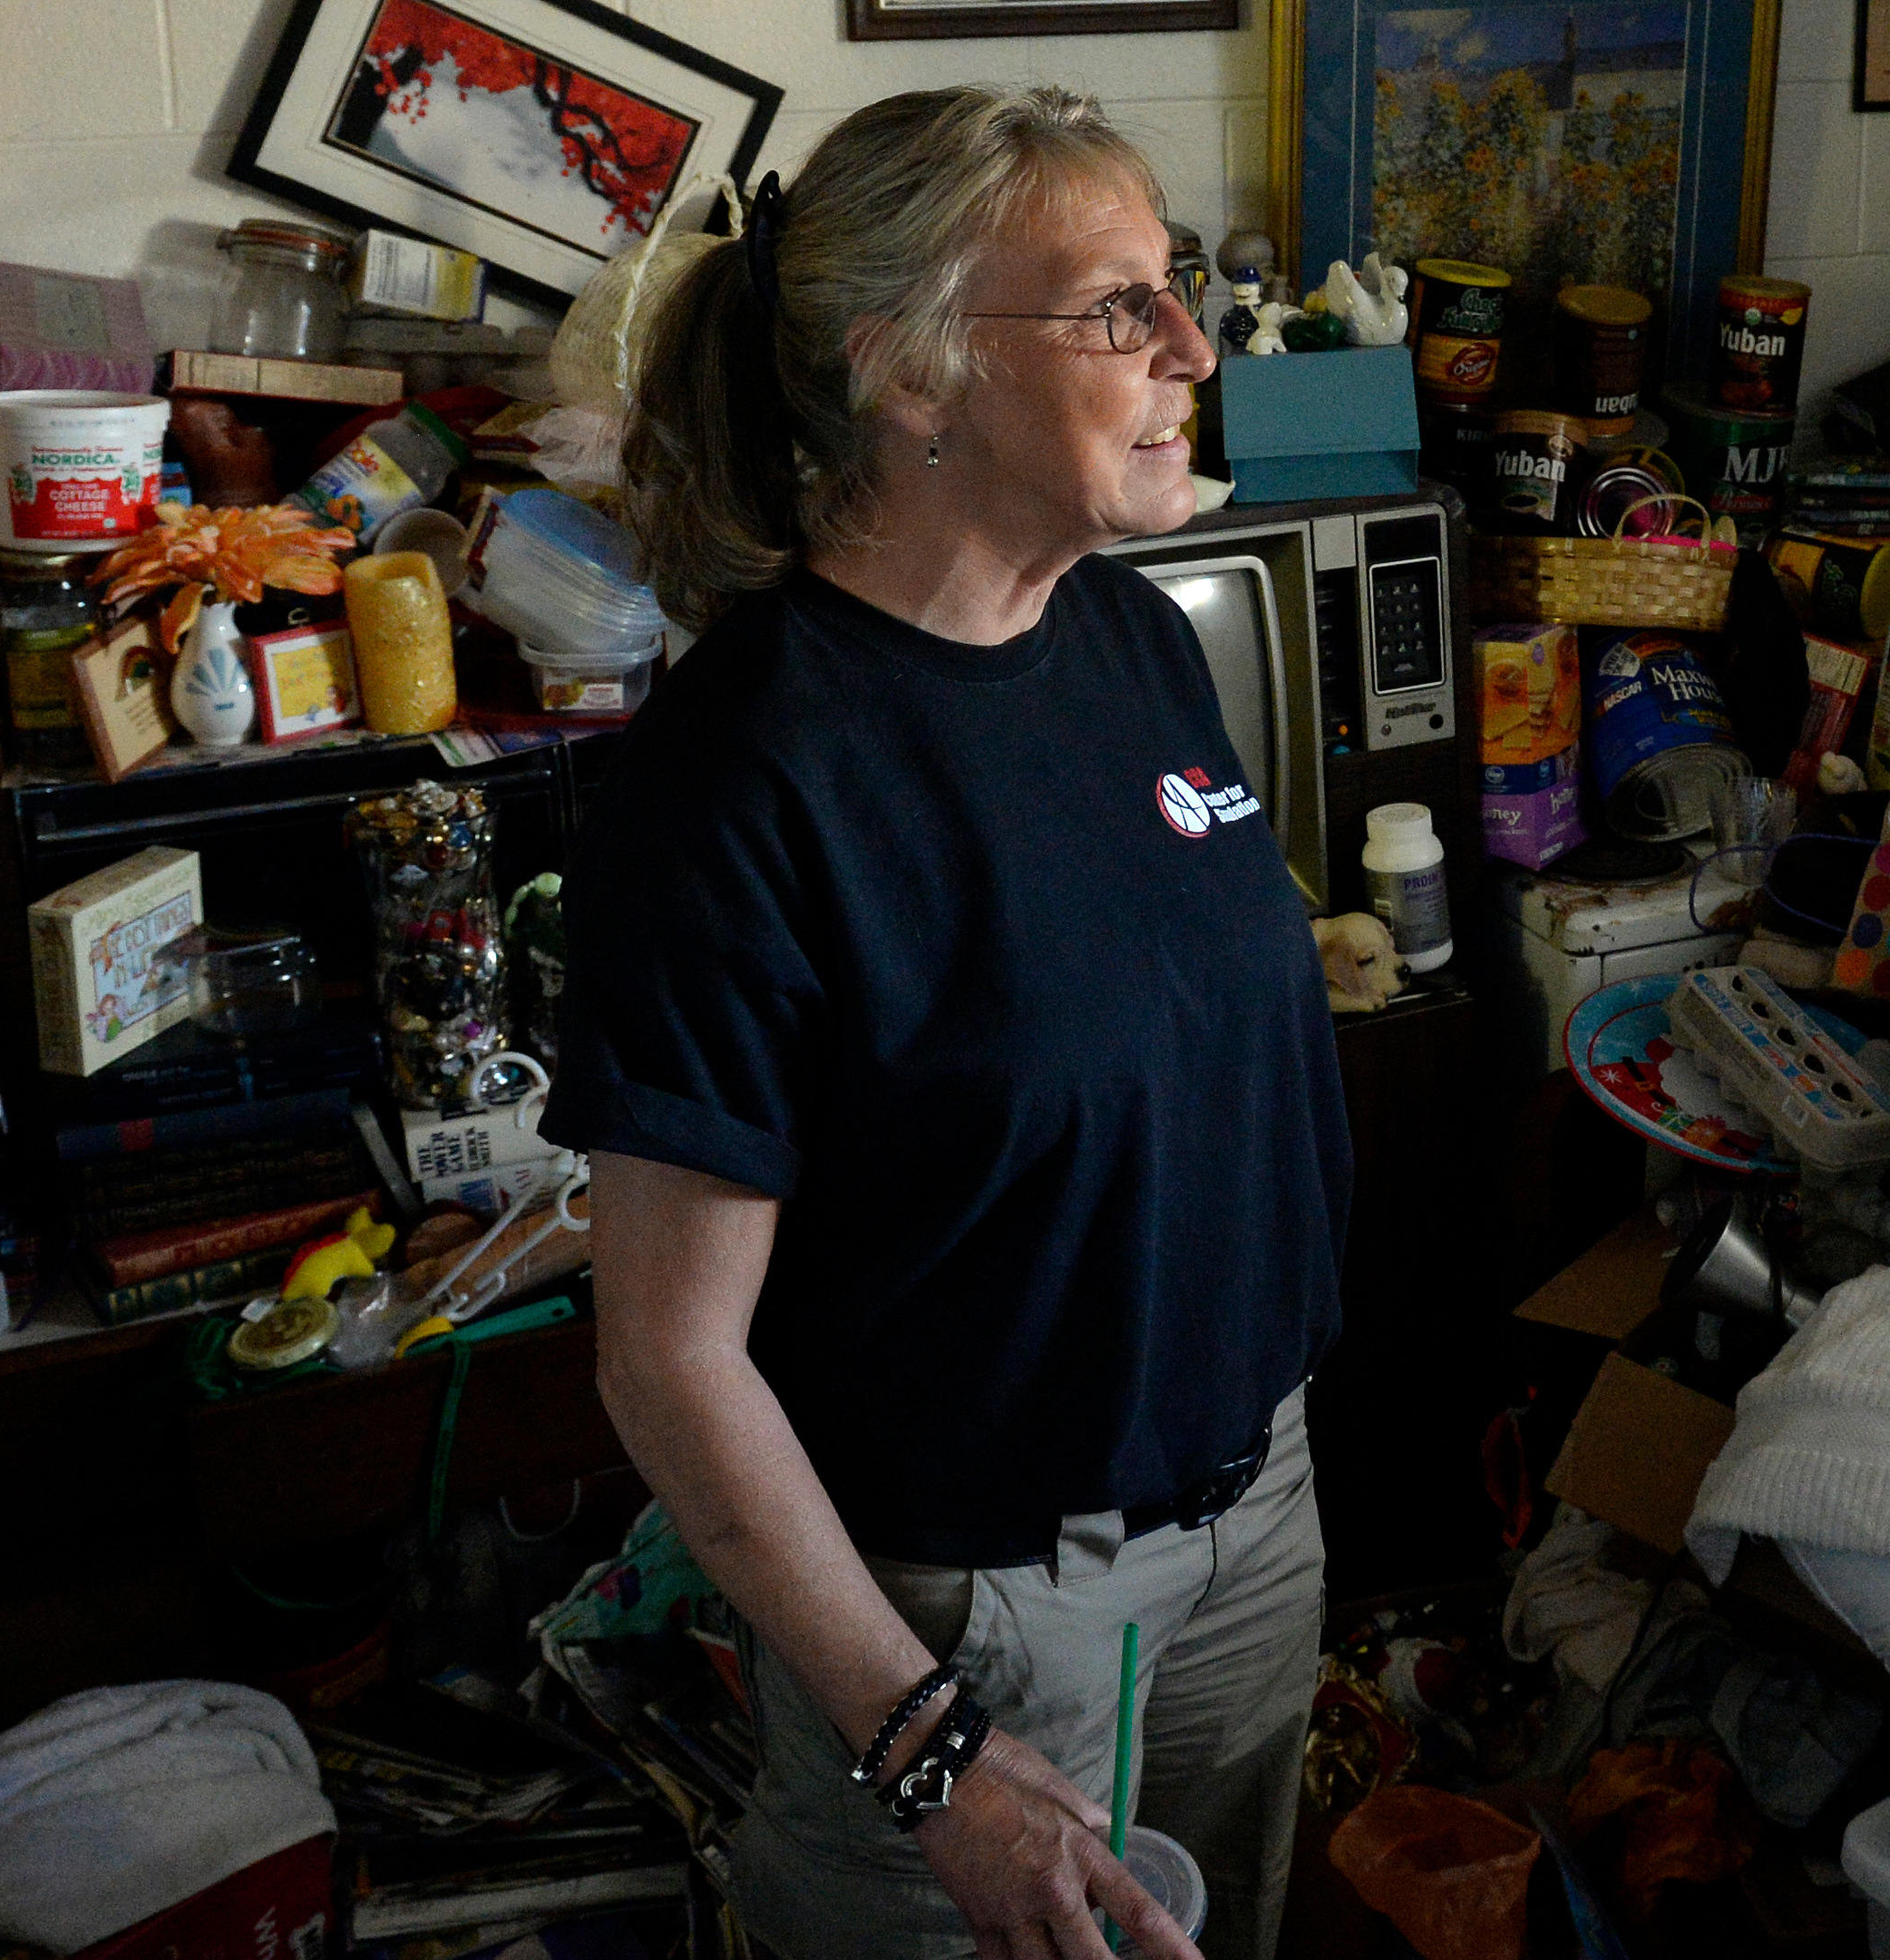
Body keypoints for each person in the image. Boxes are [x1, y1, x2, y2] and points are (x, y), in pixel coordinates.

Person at [545, 84, 1346, 1960]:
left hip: (1255, 1529)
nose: (1192, 350)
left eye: (1184, 290)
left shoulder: (1131, 637)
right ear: (907, 377)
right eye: (1113, 310)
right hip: (971, 1617)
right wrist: (928, 1745)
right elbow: (669, 1360)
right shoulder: (739, 779)